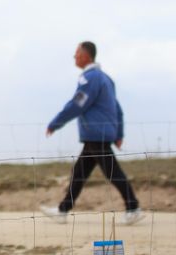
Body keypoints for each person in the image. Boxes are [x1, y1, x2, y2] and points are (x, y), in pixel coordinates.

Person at [41, 41, 144, 225]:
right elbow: (118, 109)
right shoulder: (106, 79)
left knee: (112, 172)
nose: (74, 57)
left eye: (76, 53)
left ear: (86, 55)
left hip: (97, 133)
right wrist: (119, 133)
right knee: (79, 173)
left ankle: (133, 207)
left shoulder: (89, 78)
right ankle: (63, 210)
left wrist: (55, 123)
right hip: (99, 134)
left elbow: (77, 104)